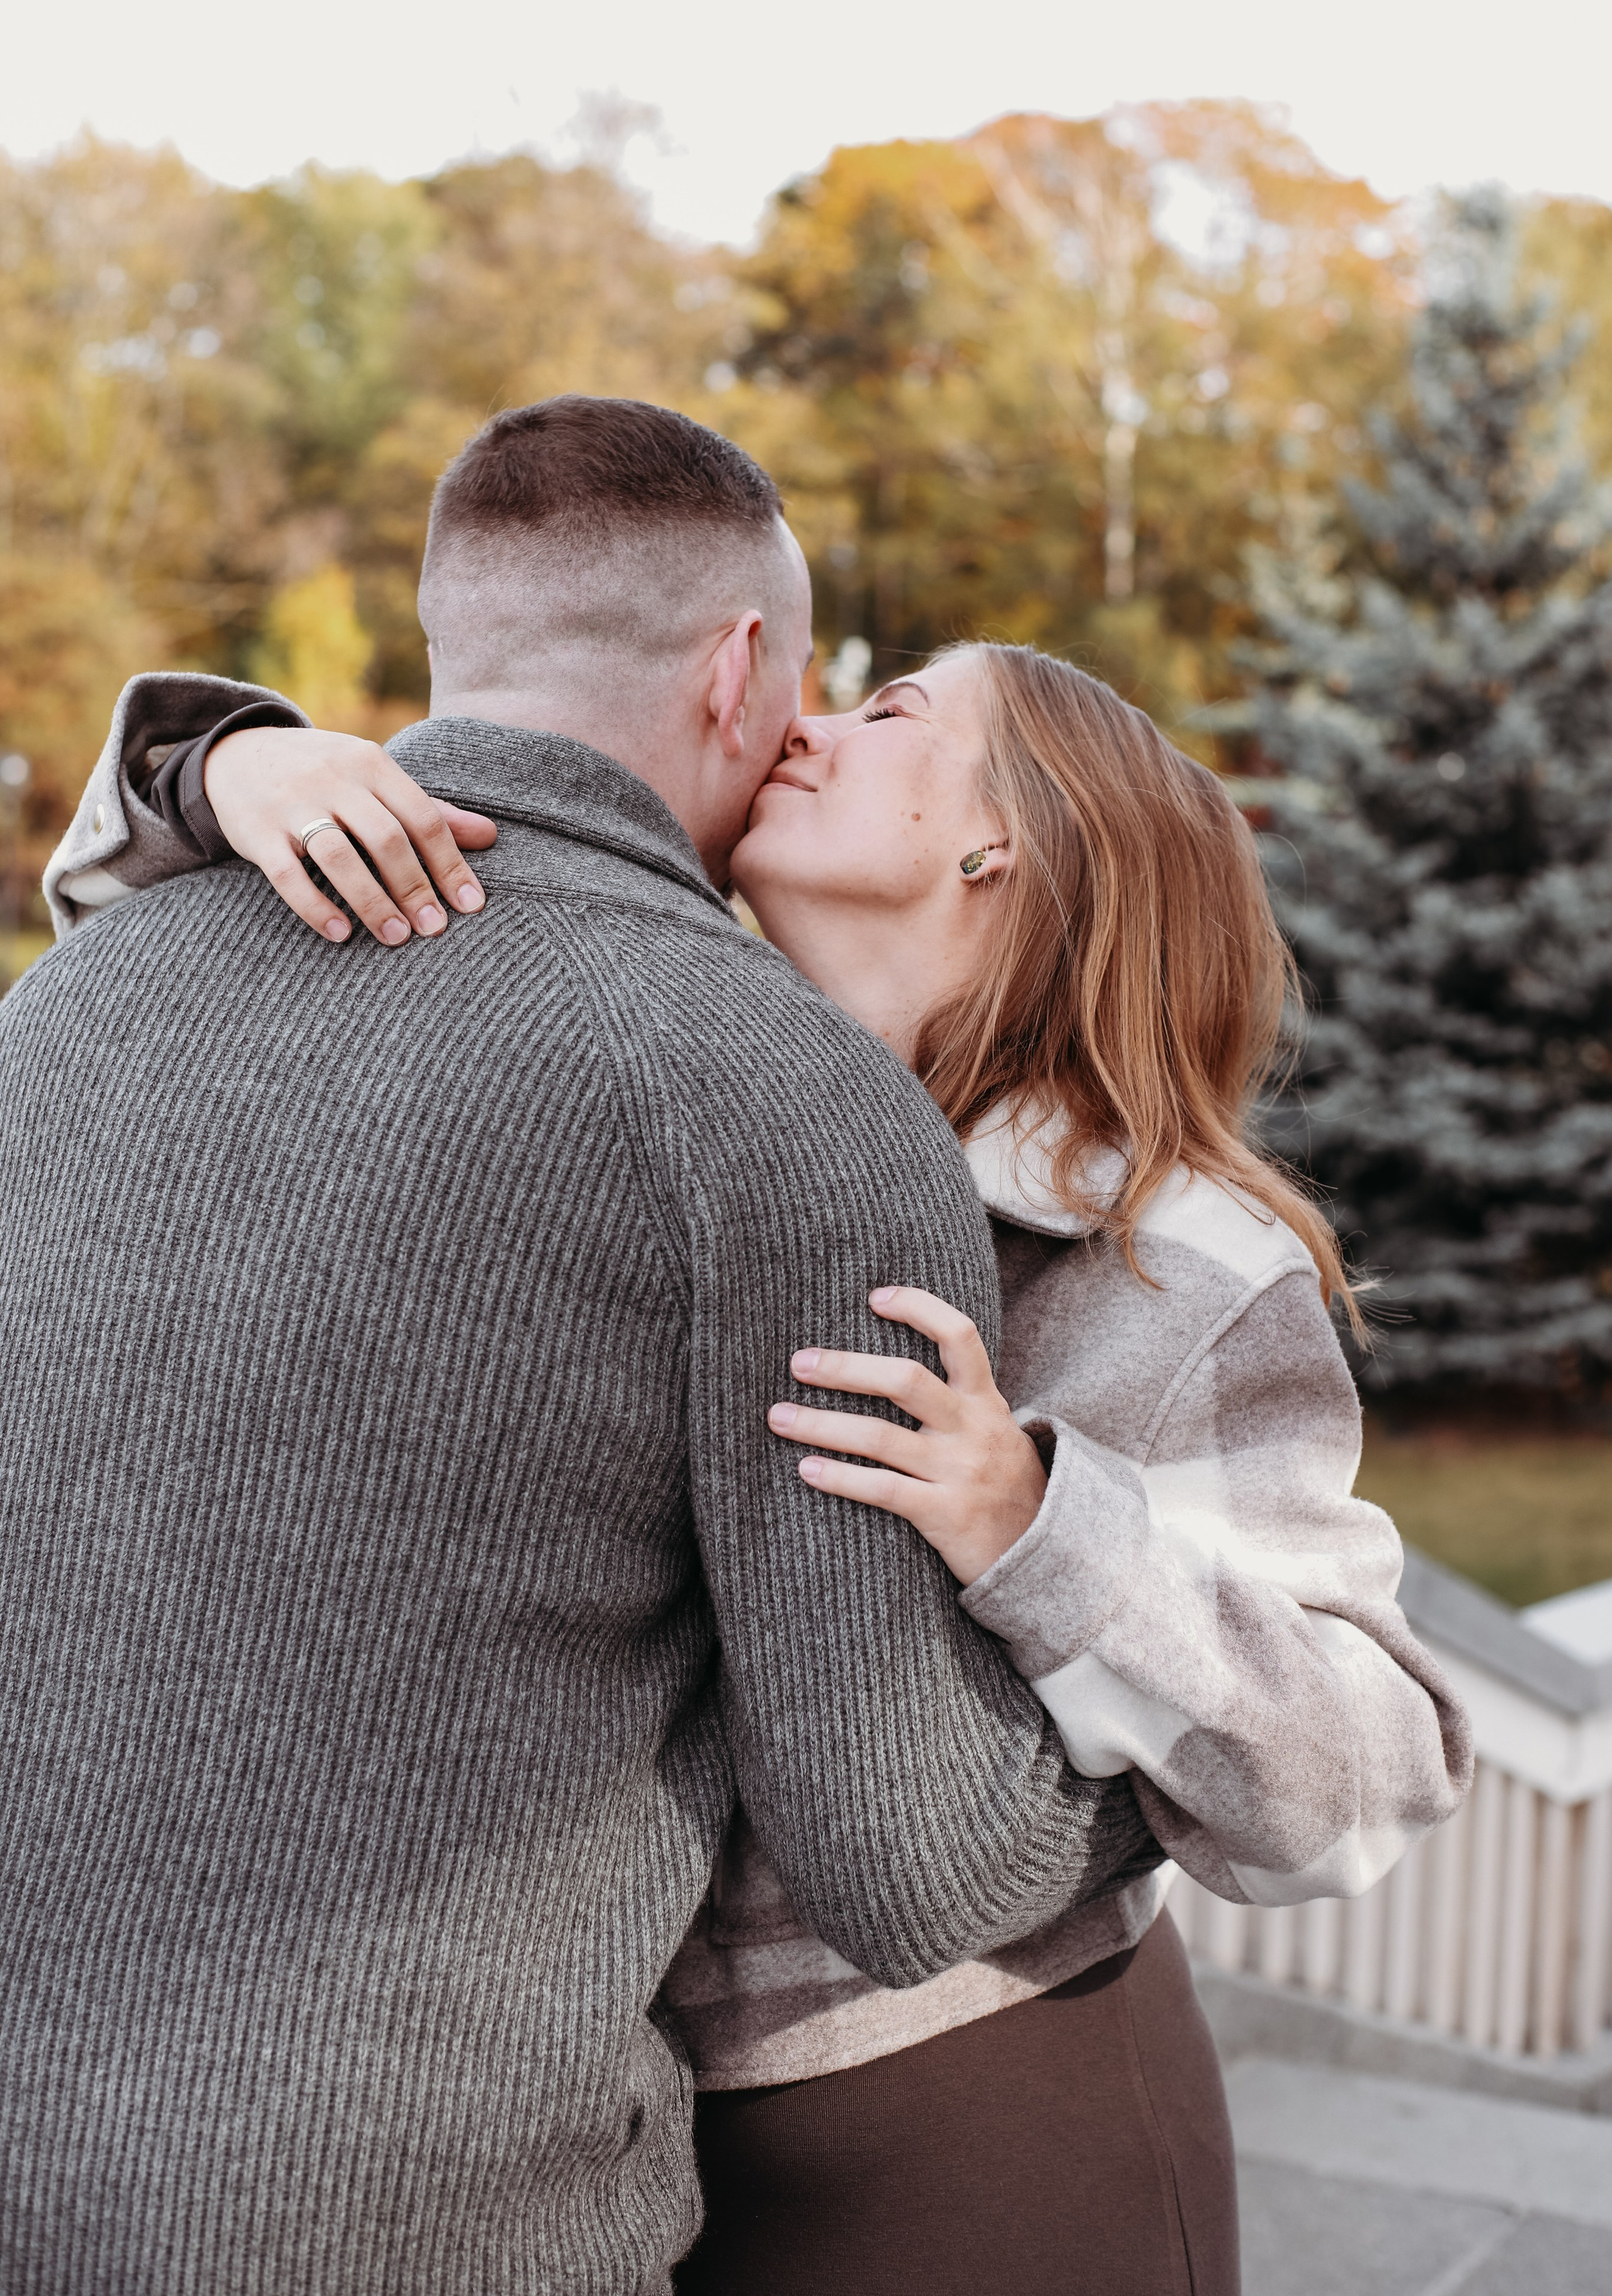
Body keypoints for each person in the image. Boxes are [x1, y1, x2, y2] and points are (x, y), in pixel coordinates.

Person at [56, 601, 1473, 2292]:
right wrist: (224, 769)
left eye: (896, 714)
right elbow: (168, 1028)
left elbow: (1366, 1781)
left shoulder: (1174, 1262)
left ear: (1006, 842)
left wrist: (1042, 1522)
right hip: (626, 2119)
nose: (810, 725)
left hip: (980, 2121)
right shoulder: (664, 1092)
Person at [1, 399, 1162, 2296]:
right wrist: (1196, 1748)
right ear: (737, 671)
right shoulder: (778, 1097)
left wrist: (210, 762)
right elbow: (912, 1862)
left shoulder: (73, 995)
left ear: (450, 632)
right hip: (406, 2221)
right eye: (814, 692)